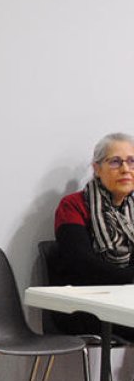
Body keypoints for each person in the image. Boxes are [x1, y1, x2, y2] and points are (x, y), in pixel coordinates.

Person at [52, 133, 134, 337]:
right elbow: (82, 265)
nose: (125, 169)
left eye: (132, 162)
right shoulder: (73, 206)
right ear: (97, 169)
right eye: (115, 162)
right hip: (82, 306)